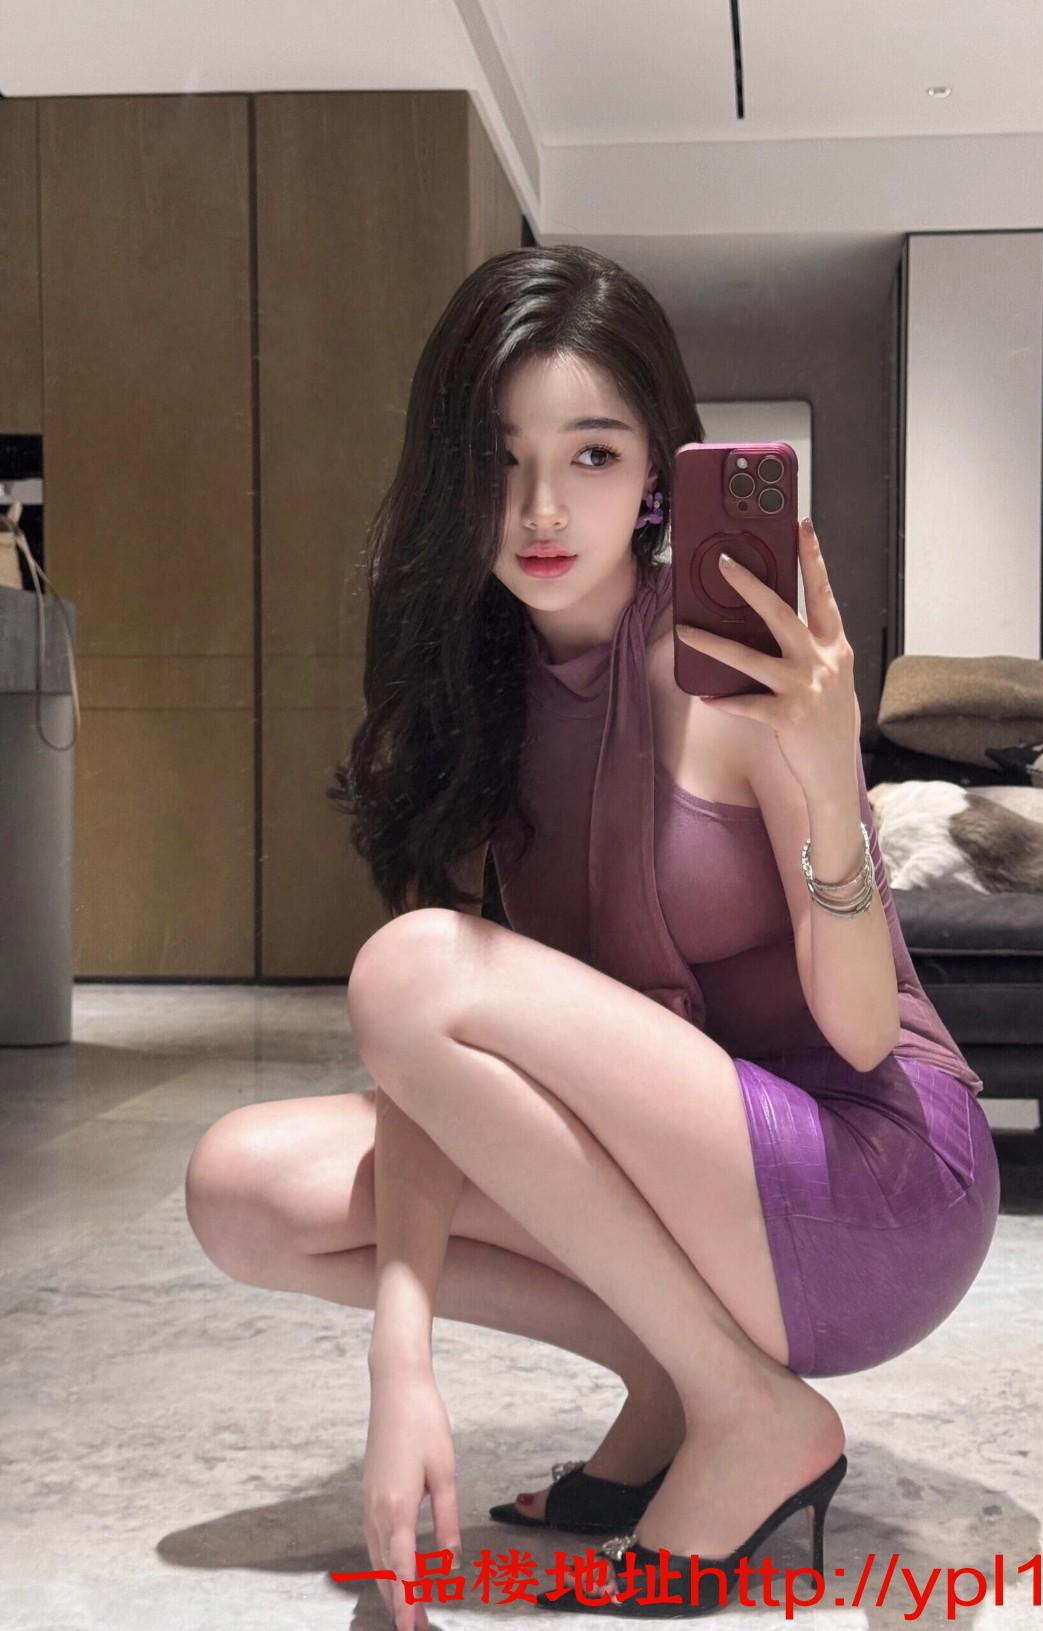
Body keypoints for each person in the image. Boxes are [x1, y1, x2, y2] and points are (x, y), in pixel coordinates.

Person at [184, 245, 1000, 1625]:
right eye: (499, 459)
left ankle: (746, 1410)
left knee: (411, 964)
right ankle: (682, 1380)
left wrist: (827, 778)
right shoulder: (484, 694)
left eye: (594, 454)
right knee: (244, 1188)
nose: (542, 508)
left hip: (876, 1184)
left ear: (661, 474)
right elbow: (439, 1077)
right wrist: (401, 1363)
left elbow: (866, 1035)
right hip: (700, 1189)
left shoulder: (727, 676)